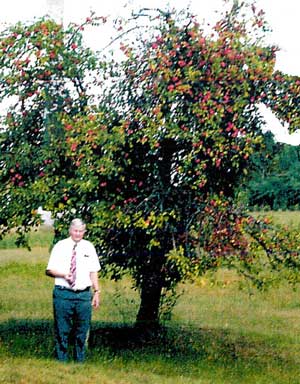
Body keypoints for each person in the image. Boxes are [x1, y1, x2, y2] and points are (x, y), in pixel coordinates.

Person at [46, 218, 101, 362]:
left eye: (81, 231)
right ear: (70, 230)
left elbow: (94, 271)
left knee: (82, 330)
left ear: (84, 232)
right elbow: (49, 270)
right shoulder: (60, 246)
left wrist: (96, 291)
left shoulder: (89, 247)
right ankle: (61, 360)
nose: (78, 234)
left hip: (83, 295)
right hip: (63, 293)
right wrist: (63, 274)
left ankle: (80, 361)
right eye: (75, 231)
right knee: (62, 329)